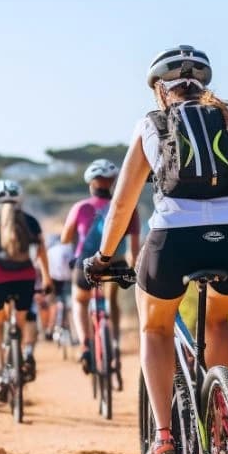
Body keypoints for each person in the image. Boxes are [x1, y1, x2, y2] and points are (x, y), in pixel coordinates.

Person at [83, 45, 228, 454]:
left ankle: (164, 438)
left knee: (155, 326)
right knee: (218, 321)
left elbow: (122, 205)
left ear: (161, 92)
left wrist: (105, 257)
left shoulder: (150, 124)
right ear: (203, 87)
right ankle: (222, 425)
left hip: (172, 244)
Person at [0, 179, 53, 402]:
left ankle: (0, 373)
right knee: (21, 325)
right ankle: (22, 356)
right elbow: (42, 252)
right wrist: (47, 279)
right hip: (26, 278)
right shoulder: (31, 221)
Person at [61, 159, 140, 373]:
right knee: (112, 301)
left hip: (85, 263)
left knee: (80, 301)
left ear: (90, 184)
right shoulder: (128, 207)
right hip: (116, 264)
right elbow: (133, 249)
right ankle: (114, 345)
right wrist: (132, 268)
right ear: (113, 183)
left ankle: (85, 345)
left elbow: (65, 238)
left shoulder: (81, 207)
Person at [42, 232, 73, 340]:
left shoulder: (50, 251)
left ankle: (50, 330)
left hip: (54, 279)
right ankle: (72, 331)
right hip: (68, 279)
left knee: (54, 305)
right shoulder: (69, 249)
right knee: (69, 305)